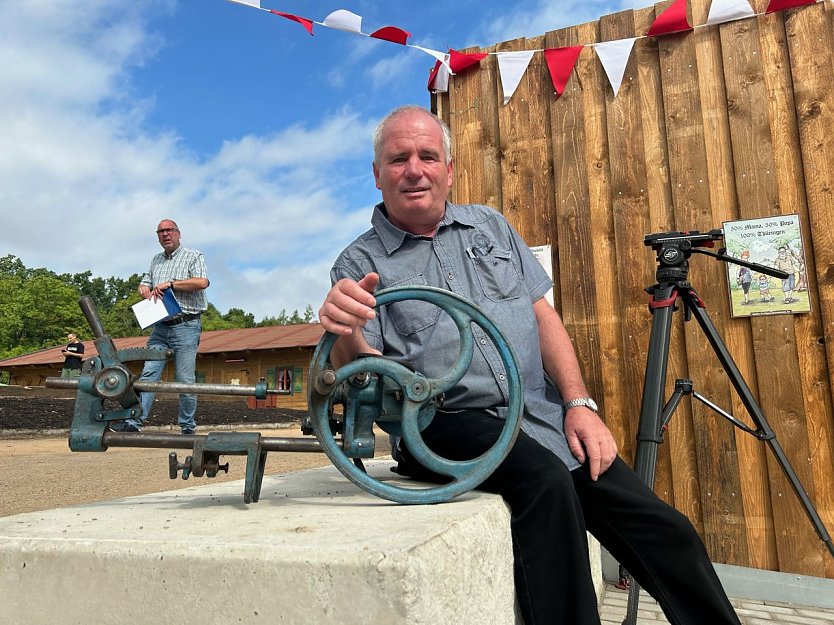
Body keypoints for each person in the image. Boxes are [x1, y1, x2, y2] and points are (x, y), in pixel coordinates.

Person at [318, 105, 740, 625]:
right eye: (398, 158)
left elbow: (542, 317)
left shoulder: (491, 226)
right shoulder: (359, 264)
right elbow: (365, 370)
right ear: (377, 174)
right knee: (544, 482)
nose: (414, 169)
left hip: (536, 414)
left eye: (428, 156)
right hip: (441, 424)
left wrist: (579, 405)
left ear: (449, 169)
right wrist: (344, 329)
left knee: (663, 528)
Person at [112, 219, 209, 435]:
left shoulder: (194, 256)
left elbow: (202, 282)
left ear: (178, 233)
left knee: (185, 379)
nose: (165, 234)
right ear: (157, 236)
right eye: (161, 231)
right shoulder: (156, 260)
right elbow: (144, 283)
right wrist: (144, 290)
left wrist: (171, 284)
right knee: (149, 374)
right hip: (160, 327)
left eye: (169, 230)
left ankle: (187, 427)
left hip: (186, 325)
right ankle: (134, 423)